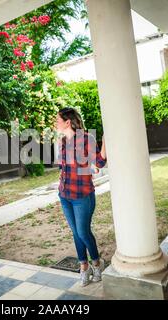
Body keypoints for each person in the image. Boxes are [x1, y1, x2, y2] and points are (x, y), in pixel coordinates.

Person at [55, 107, 107, 287]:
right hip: (64, 195)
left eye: (58, 120)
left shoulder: (87, 139)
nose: (56, 123)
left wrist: (105, 141)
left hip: (82, 195)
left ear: (67, 122)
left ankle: (96, 264)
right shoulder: (62, 141)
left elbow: (99, 162)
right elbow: (63, 167)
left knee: (83, 232)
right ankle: (83, 267)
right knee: (76, 232)